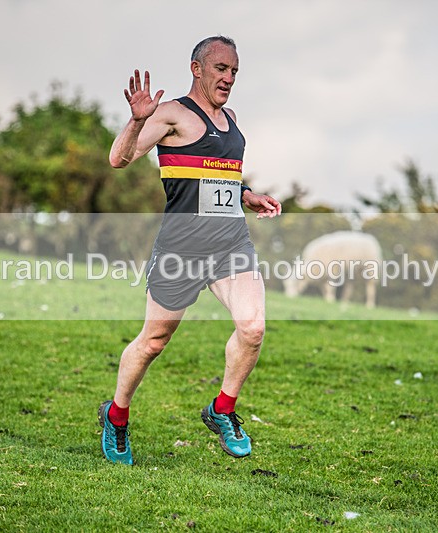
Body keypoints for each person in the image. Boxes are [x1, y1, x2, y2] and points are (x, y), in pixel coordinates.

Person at [99, 36, 281, 465]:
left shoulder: (232, 119)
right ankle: (117, 415)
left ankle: (222, 411)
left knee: (252, 328)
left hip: (229, 245)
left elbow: (221, 180)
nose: (229, 78)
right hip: (181, 250)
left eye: (234, 71)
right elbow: (118, 159)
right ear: (197, 68)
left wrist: (247, 194)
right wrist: (135, 122)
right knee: (154, 341)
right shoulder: (172, 114)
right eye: (221, 68)